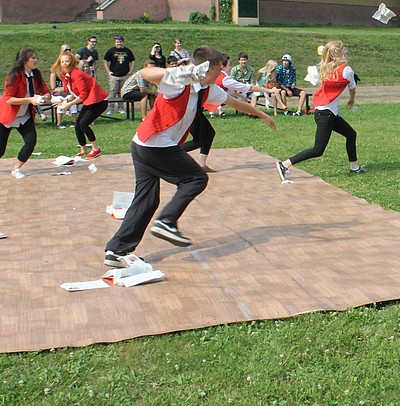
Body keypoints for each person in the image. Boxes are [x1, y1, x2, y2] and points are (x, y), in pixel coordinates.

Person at [102, 46, 277, 268]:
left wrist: (262, 114)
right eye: (219, 70)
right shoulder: (179, 82)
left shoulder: (207, 89)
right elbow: (145, 73)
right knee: (196, 178)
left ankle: (116, 251)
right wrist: (180, 72)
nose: (221, 74)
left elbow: (233, 102)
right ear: (207, 68)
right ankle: (167, 221)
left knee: (147, 200)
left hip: (143, 145)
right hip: (155, 144)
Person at [276, 41, 364, 182]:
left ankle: (354, 167)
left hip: (328, 112)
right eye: (343, 49)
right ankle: (284, 164)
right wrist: (352, 99)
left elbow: (341, 78)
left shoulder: (328, 68)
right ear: (338, 53)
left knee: (351, 134)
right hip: (325, 115)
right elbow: (352, 87)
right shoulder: (346, 70)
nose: (346, 50)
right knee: (318, 150)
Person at [0, 48, 51, 179]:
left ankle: (16, 169)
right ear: (24, 60)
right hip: (7, 115)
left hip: (24, 116)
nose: (36, 60)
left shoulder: (36, 74)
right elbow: (9, 99)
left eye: (36, 57)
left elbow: (46, 91)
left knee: (31, 141)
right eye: (33, 58)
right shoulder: (14, 75)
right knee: (0, 150)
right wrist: (30, 99)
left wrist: (45, 97)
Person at [54, 51, 108, 159]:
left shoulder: (76, 74)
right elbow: (74, 93)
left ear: (72, 62)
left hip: (99, 101)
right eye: (62, 61)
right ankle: (83, 149)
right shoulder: (67, 75)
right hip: (90, 101)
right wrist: (64, 101)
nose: (64, 64)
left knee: (83, 124)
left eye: (67, 61)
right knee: (78, 125)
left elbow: (83, 94)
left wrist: (69, 104)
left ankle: (96, 149)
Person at [103, 34, 135, 114]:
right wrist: (108, 71)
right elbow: (105, 60)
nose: (119, 43)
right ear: (115, 42)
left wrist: (131, 71)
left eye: (120, 42)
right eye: (117, 42)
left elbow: (133, 61)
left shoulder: (127, 51)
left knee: (122, 92)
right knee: (113, 92)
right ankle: (110, 108)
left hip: (124, 75)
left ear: (122, 42)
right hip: (114, 75)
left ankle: (121, 108)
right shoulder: (111, 51)